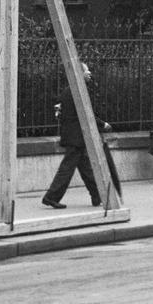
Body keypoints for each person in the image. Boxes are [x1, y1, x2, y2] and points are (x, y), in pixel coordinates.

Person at [42, 63, 111, 210]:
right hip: (76, 136)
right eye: (86, 71)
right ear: (79, 74)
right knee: (67, 168)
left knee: (84, 166)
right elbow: (86, 113)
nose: (89, 73)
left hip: (75, 135)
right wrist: (102, 124)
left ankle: (97, 194)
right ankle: (51, 197)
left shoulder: (71, 90)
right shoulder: (77, 91)